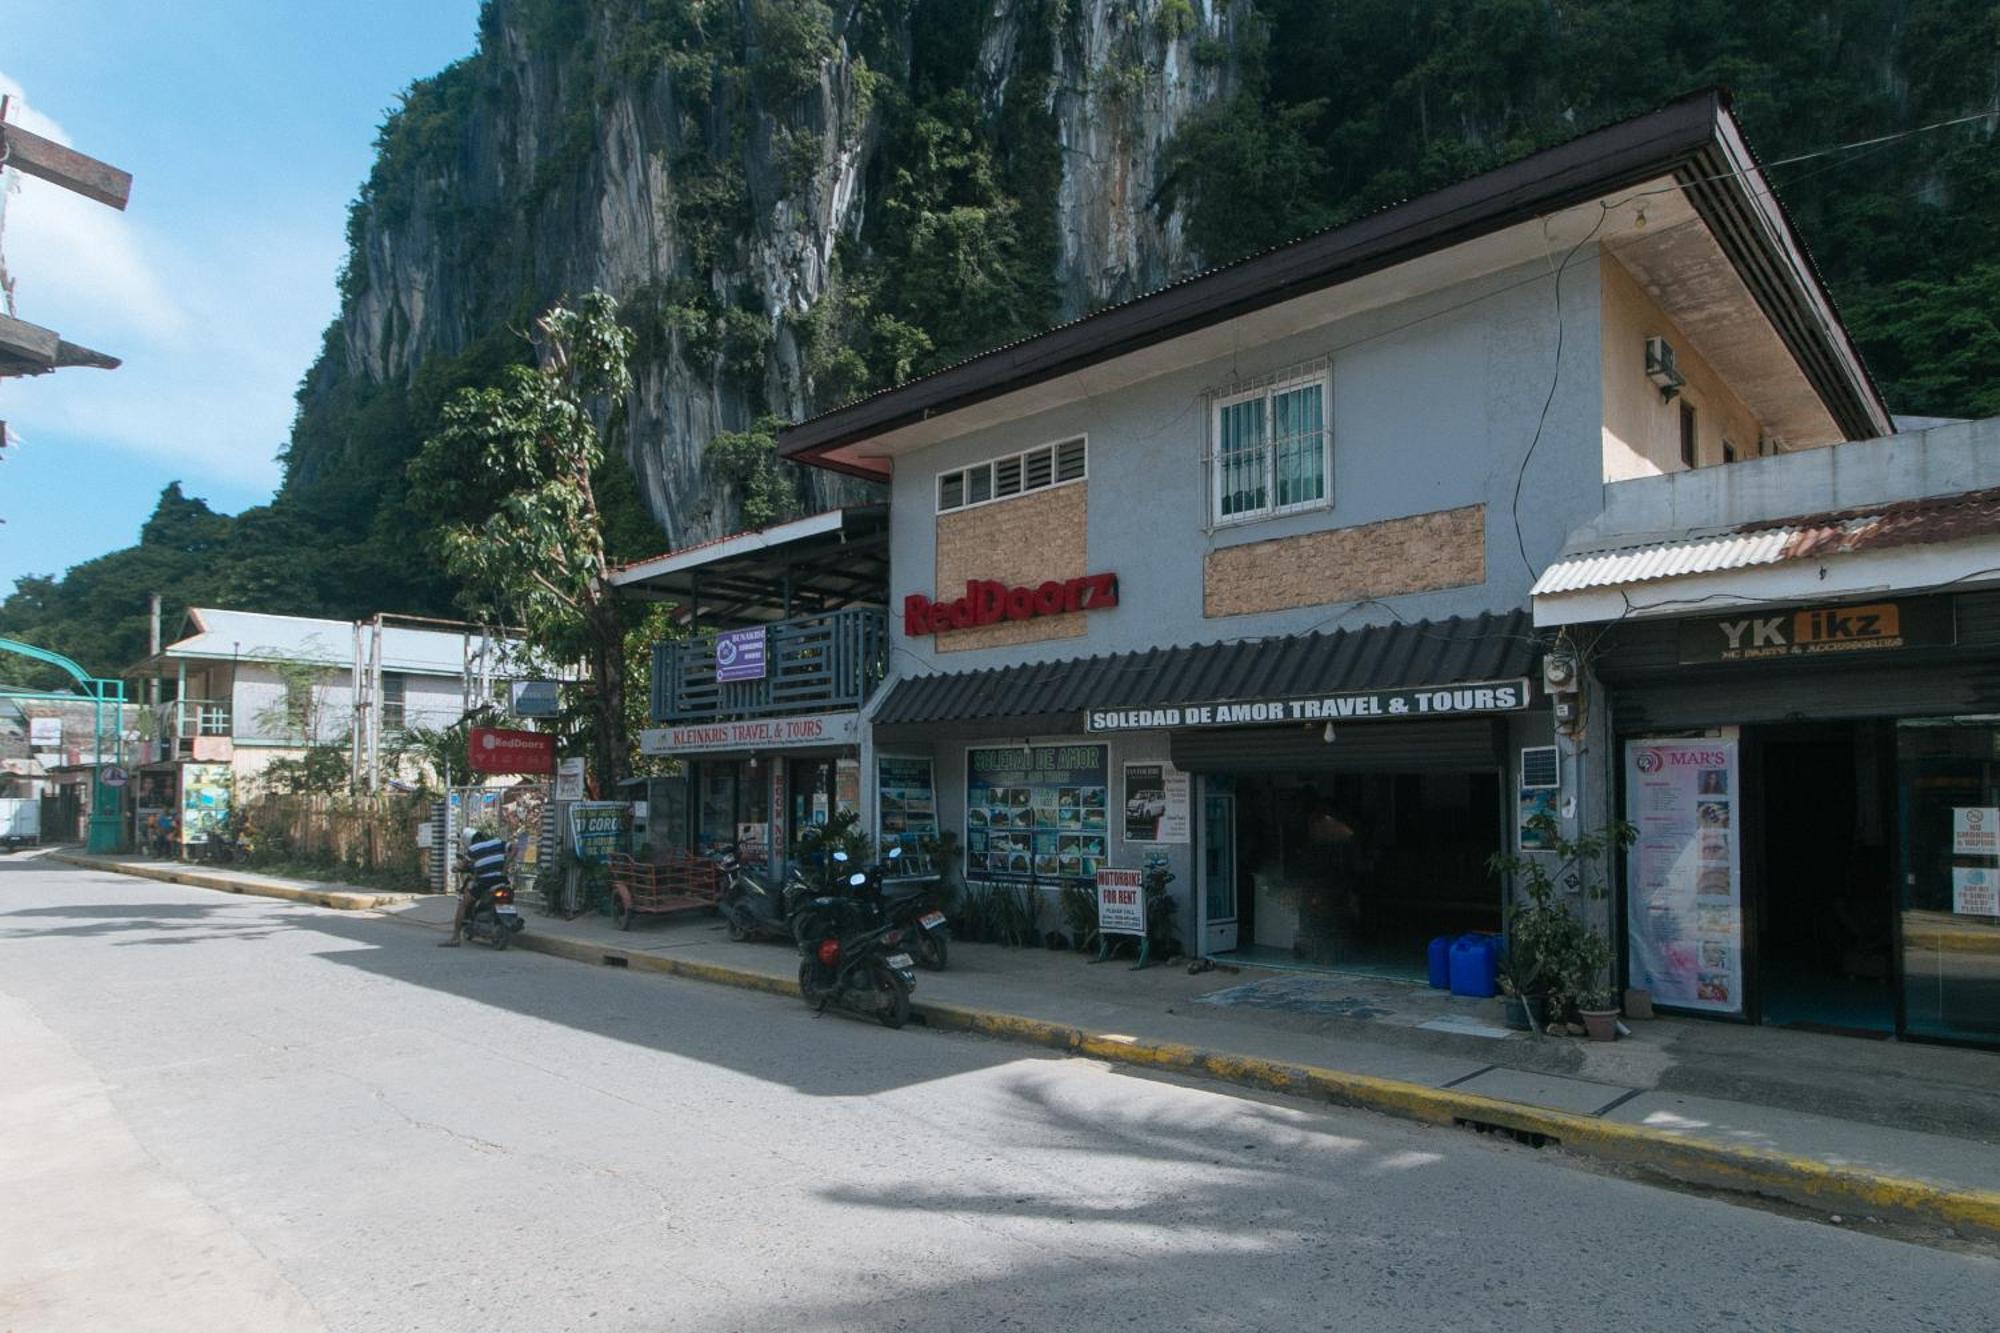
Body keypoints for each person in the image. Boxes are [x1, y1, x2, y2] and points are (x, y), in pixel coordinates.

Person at [440, 826, 509, 947]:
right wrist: (506, 866)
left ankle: (455, 938)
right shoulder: (497, 842)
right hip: (502, 880)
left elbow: (462, 865)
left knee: (463, 905)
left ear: (467, 841)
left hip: (485, 883)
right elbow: (514, 848)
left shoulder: (473, 849)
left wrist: (456, 868)